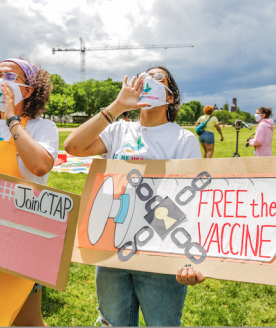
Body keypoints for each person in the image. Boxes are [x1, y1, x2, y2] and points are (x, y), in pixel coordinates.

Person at [64, 66, 205, 326]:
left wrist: (189, 258)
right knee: (113, 322)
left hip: (159, 253)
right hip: (112, 250)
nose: (149, 80)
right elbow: (73, 146)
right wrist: (117, 106)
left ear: (170, 97)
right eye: (144, 76)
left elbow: (193, 203)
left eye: (158, 77)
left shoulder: (183, 140)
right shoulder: (118, 131)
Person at [0, 58, 59, 327]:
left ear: (29, 90)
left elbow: (40, 165)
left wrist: (11, 118)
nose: (0, 80)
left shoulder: (42, 128)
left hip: (19, 238)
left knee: (27, 320)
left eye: (9, 76)